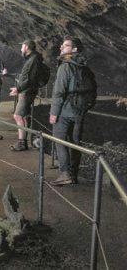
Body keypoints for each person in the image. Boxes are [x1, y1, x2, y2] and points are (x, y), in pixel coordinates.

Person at [50, 36, 96, 186]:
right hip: (79, 111)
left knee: (59, 140)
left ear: (74, 49)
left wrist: (53, 112)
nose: (62, 47)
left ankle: (65, 173)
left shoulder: (66, 66)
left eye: (66, 45)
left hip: (64, 111)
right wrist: (86, 107)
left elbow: (59, 92)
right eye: (62, 45)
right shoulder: (85, 67)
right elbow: (93, 89)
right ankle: (73, 174)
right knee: (75, 143)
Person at [9, 39, 43, 151]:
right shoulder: (32, 59)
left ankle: (22, 143)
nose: (21, 49)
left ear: (27, 47)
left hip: (26, 92)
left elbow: (30, 79)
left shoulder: (33, 60)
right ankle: (23, 142)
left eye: (22, 46)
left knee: (17, 116)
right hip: (26, 91)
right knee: (23, 116)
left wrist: (18, 88)